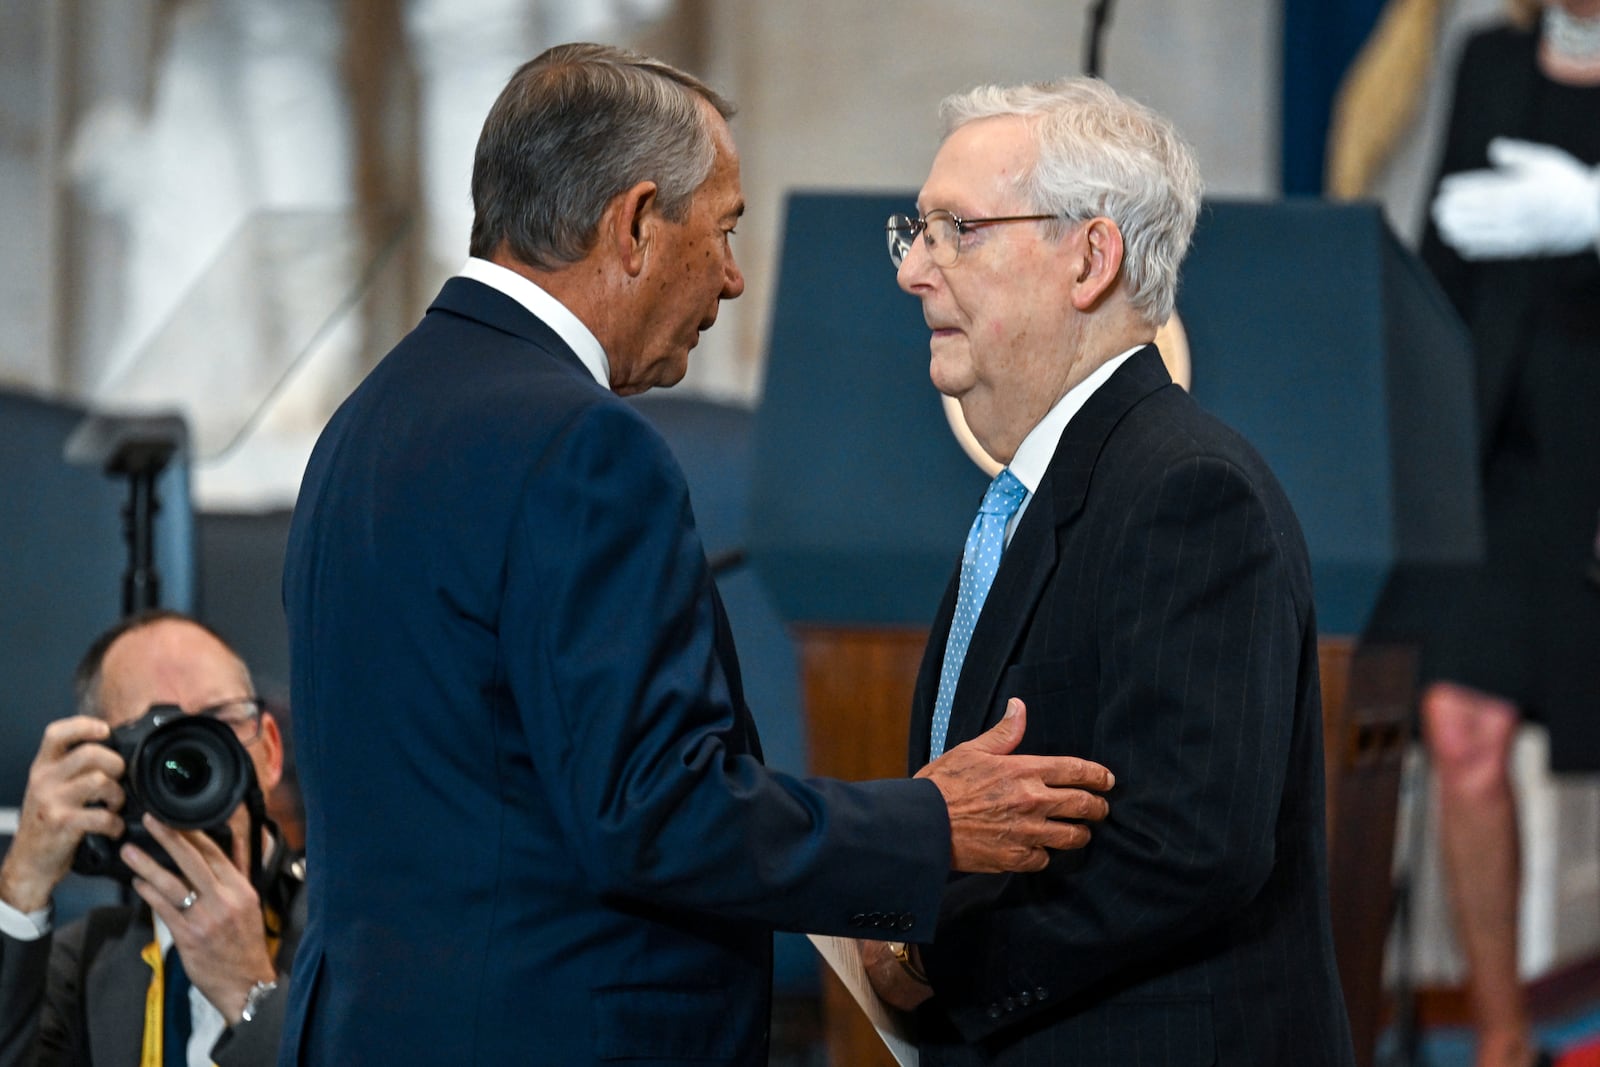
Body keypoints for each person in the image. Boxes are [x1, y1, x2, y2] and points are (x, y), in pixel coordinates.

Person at [279, 42, 1116, 1066]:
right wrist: (928, 822)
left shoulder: (369, 420)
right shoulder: (581, 444)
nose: (729, 278)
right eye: (721, 230)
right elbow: (651, 807)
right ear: (633, 223)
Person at [860, 76, 1356, 1064]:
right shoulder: (1038, 491)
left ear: (1089, 257)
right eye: (914, 230)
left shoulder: (1188, 490)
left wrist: (929, 960)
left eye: (957, 229)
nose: (915, 268)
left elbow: (1187, 851)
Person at [1418, 3, 1600, 1065]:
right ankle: (1500, 1039)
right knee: (1462, 731)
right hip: (1501, 462)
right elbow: (1441, 254)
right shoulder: (1487, 55)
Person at [0, 610, 305, 1066]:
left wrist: (249, 992)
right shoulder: (87, 963)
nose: (193, 757)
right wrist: (21, 885)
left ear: (271, 750)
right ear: (98, 765)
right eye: (156, 735)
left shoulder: (353, 939)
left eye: (218, 719)